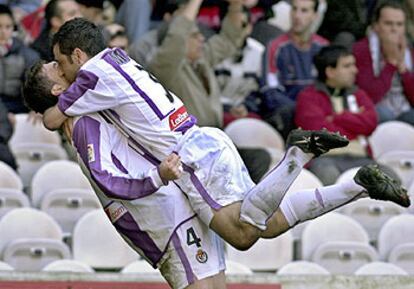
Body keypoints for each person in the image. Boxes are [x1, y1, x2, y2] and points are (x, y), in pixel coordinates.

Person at [41, 17, 410, 252]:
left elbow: (53, 118)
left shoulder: (93, 76)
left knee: (243, 235)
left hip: (190, 159)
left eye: (60, 62)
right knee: (265, 224)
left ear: (77, 55)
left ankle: (299, 155)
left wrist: (53, 97)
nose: (60, 69)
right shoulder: (120, 59)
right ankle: (357, 185)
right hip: (206, 139)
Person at [24, 60, 228, 289]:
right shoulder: (83, 123)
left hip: (179, 208)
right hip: (164, 218)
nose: (61, 64)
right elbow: (107, 179)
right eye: (54, 66)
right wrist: (158, 175)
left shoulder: (89, 104)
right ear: (57, 89)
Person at [295, 45, 380, 185]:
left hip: (362, 158)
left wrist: (337, 117)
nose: (355, 70)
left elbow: (371, 123)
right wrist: (355, 123)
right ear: (330, 71)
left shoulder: (358, 94)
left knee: (391, 177)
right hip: (326, 159)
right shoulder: (308, 97)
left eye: (354, 65)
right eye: (347, 66)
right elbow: (319, 133)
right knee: (328, 177)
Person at [262, 0, 328, 138]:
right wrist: (301, 108)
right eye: (294, 9)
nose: (297, 16)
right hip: (288, 114)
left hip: (319, 113)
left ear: (315, 15)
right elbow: (270, 89)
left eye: (304, 11)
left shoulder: (323, 47)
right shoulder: (275, 46)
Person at [353, 0, 414, 126]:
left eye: (399, 24)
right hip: (376, 109)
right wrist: (391, 64)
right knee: (384, 114)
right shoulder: (362, 50)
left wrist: (402, 68)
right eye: (388, 24)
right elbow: (370, 96)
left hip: (404, 108)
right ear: (376, 26)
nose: (394, 29)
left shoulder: (409, 51)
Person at [0, 4, 39, 113]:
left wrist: (36, 108)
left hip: (19, 108)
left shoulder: (28, 55)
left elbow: (34, 88)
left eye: (8, 26)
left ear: (13, 27)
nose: (3, 32)